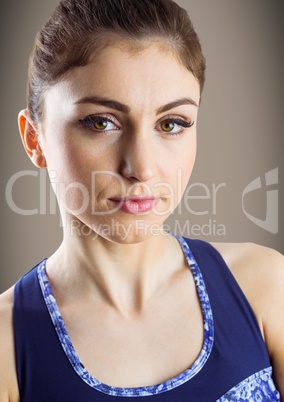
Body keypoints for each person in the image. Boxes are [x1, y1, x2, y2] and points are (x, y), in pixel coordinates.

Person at [0, 0, 283, 400]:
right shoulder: (6, 347)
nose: (142, 168)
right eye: (101, 122)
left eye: (172, 124)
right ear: (35, 139)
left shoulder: (264, 286)